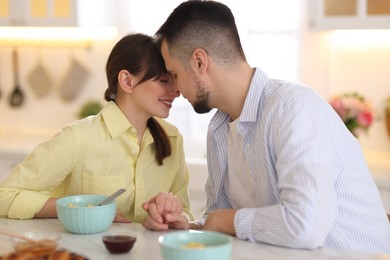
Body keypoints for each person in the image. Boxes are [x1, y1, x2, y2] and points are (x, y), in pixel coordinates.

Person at [152, 0, 390, 254]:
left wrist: (226, 220)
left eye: (174, 74)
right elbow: (220, 221)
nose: (175, 90)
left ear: (200, 62)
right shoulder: (219, 130)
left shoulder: (294, 108)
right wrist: (187, 227)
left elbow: (305, 226)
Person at [0, 33, 193, 231]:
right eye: (163, 80)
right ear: (127, 81)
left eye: (175, 79)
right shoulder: (78, 138)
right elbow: (4, 196)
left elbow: (186, 211)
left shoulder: (173, 139)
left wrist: (172, 216)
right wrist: (76, 207)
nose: (176, 90)